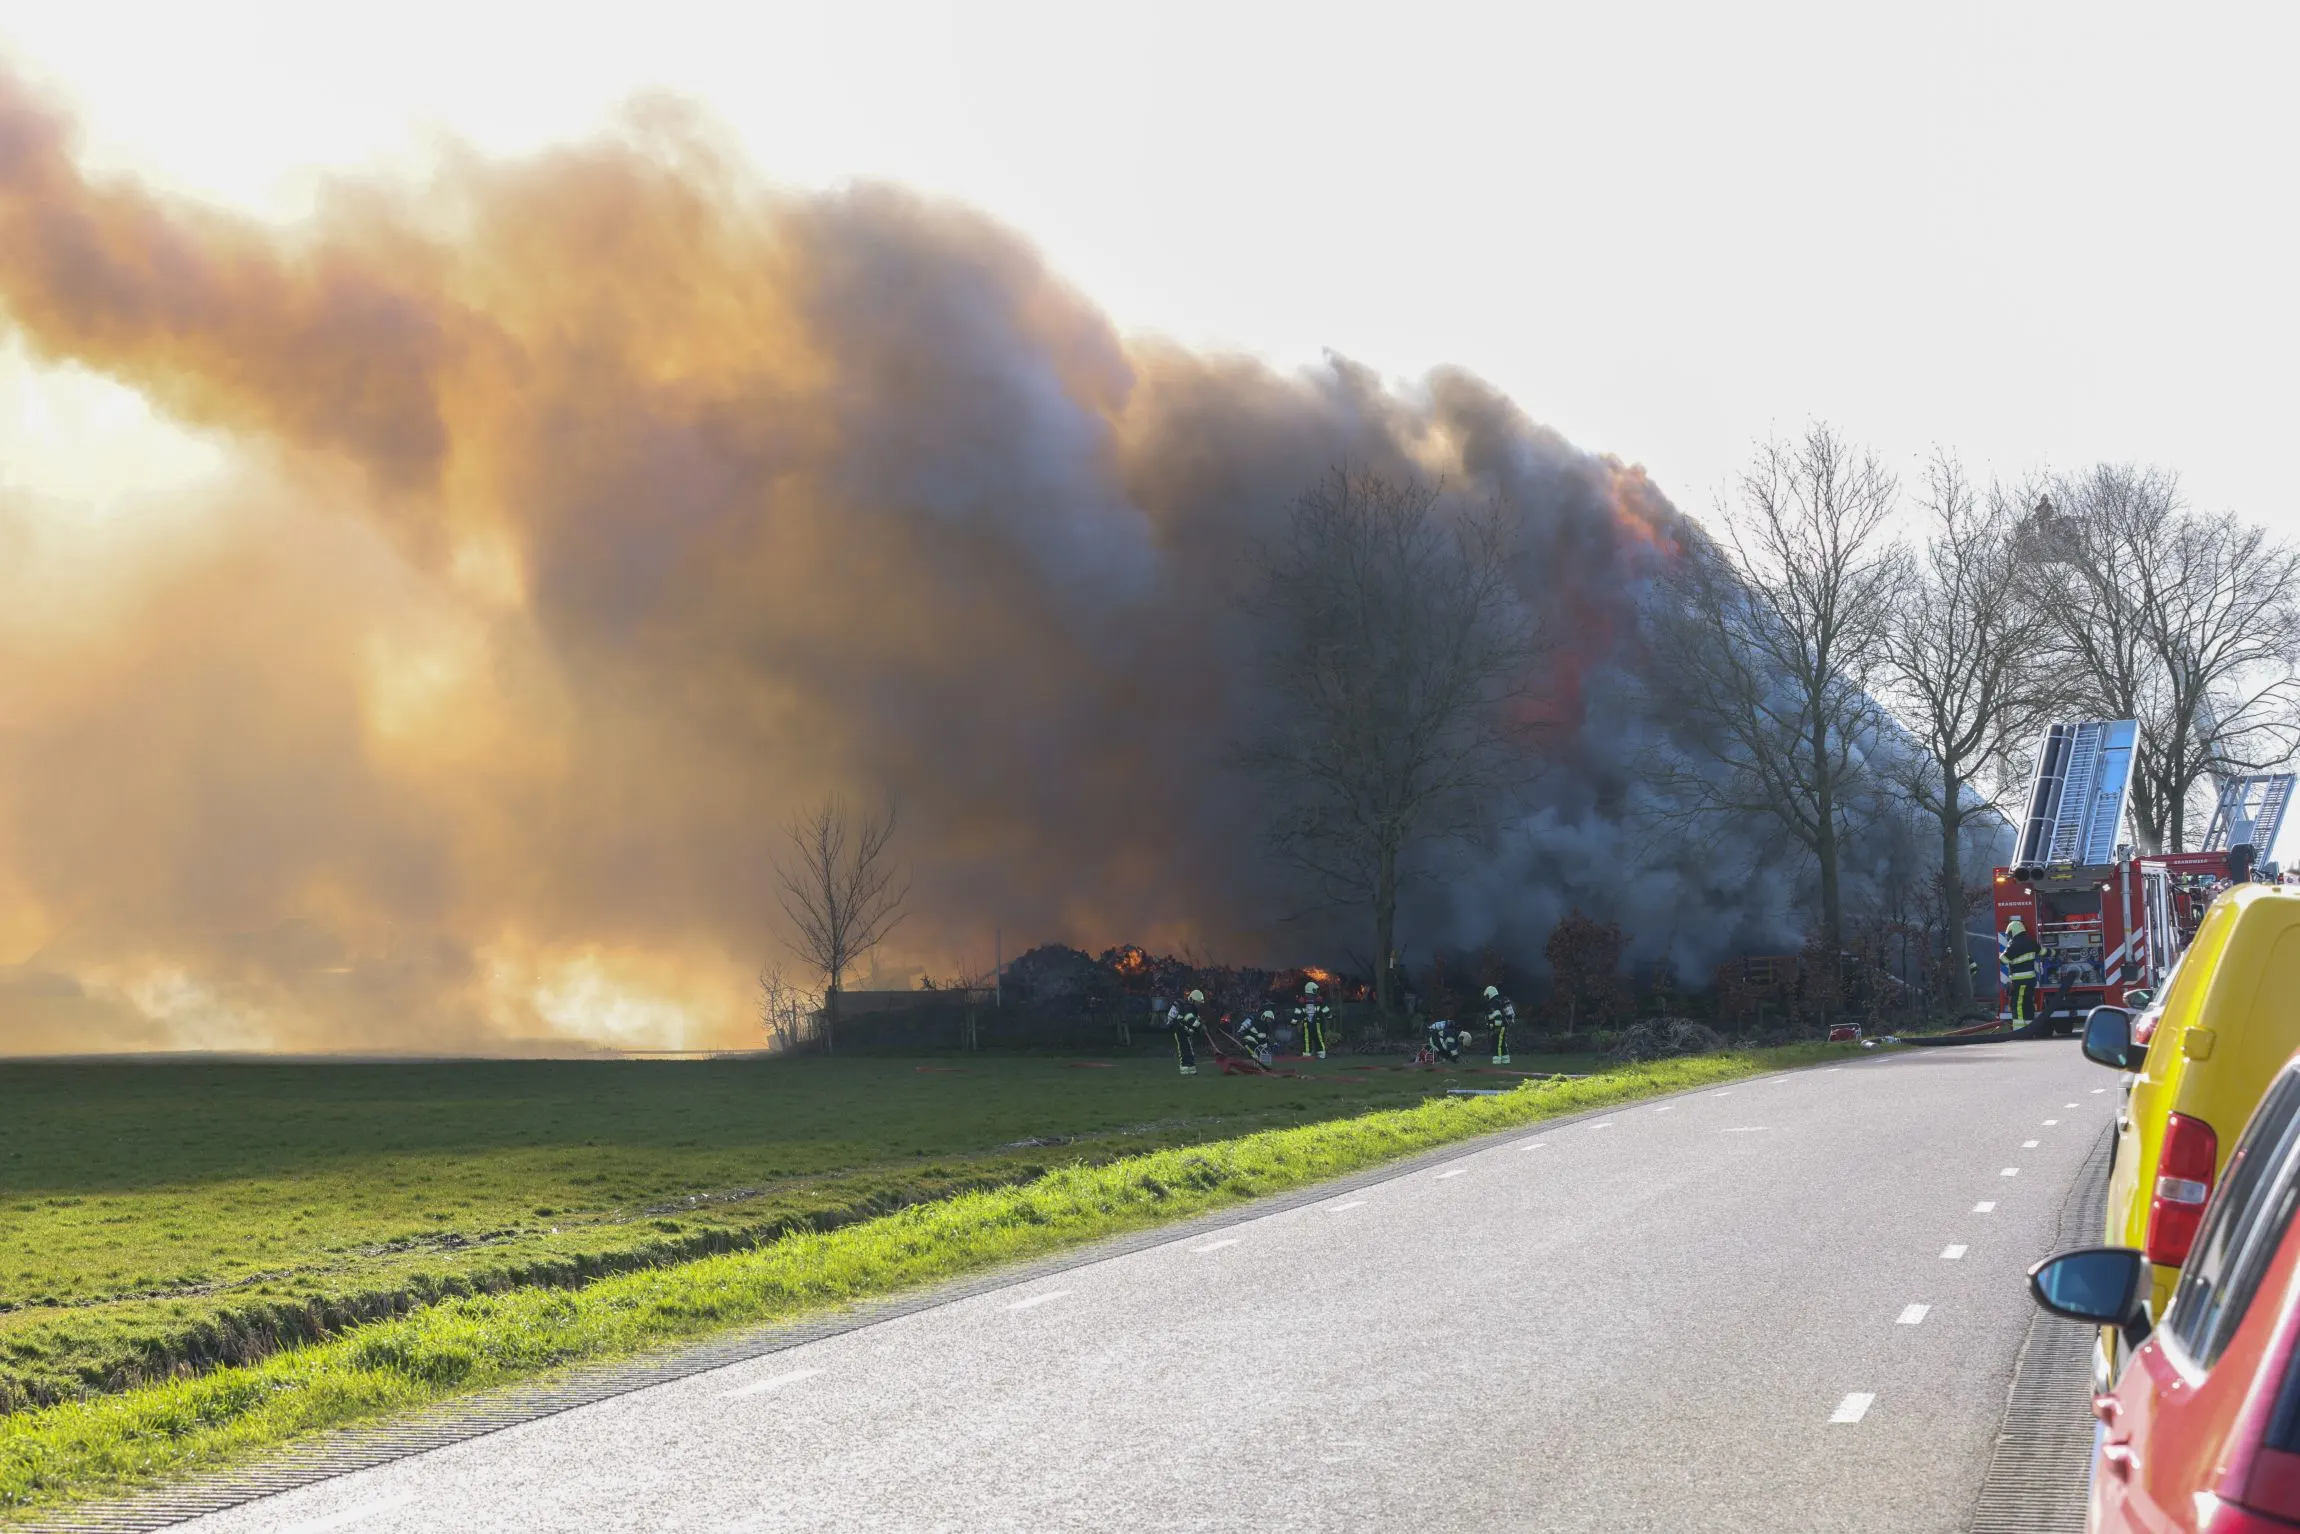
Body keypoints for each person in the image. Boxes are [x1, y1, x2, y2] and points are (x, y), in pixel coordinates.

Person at [2002, 918, 2039, 1027]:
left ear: (2013, 931)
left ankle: (2019, 1030)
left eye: (2009, 933)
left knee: (2017, 1004)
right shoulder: (2031, 942)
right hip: (2031, 980)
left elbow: (2002, 960)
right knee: (2028, 1004)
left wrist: (2006, 951)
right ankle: (2029, 1028)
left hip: (2019, 981)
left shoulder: (2013, 945)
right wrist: (2054, 953)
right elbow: (2043, 951)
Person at [1164, 989, 1206, 1076]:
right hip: (1180, 1031)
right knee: (1184, 1051)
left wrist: (1200, 1025)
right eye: (1198, 1002)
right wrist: (1200, 1026)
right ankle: (1184, 1070)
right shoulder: (1188, 1008)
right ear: (1193, 1000)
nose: (1200, 1005)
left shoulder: (1192, 1008)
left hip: (1185, 1032)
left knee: (1189, 1050)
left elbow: (1194, 1020)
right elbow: (1190, 1019)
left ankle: (1191, 1069)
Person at [1294, 980, 1333, 1059]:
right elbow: (1326, 1011)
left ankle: (1311, 1054)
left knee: (1311, 1038)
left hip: (1310, 1024)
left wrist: (1294, 1022)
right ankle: (1316, 1054)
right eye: (1315, 990)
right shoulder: (1318, 1001)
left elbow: (1297, 1013)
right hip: (1315, 1024)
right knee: (1315, 1038)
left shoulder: (1303, 1002)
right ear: (1312, 990)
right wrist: (1330, 1017)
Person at [1482, 985, 1516, 1065]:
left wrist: (1495, 1027)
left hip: (1499, 1026)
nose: (1486, 998)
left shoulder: (1494, 1003)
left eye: (1487, 996)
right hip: (1502, 1025)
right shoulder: (1499, 1001)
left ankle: (1497, 1061)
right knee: (1502, 1042)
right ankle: (1505, 1060)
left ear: (1490, 994)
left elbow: (1497, 1016)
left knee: (1496, 1043)